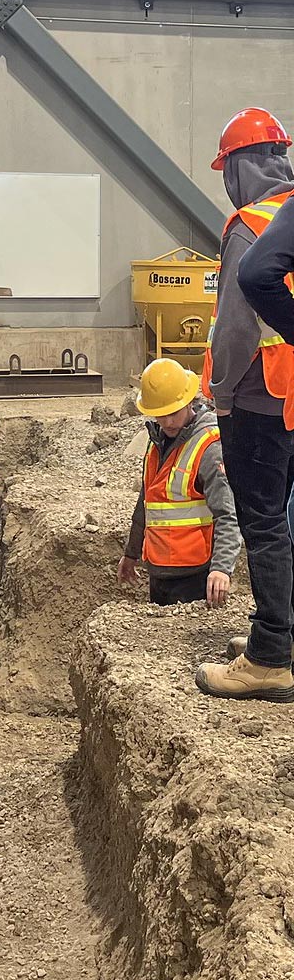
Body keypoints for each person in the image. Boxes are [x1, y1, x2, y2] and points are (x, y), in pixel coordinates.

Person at [196, 108, 294, 703]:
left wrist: (224, 395)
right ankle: (283, 634)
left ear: (237, 167)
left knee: (263, 524)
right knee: (285, 522)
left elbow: (233, 331)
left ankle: (268, 658)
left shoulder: (248, 224)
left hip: (257, 400)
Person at [118, 359, 240, 608]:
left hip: (194, 574)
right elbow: (147, 503)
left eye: (172, 413)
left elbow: (228, 513)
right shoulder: (156, 442)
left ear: (187, 402)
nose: (167, 422)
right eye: (160, 415)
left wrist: (222, 569)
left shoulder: (208, 446)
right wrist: (131, 553)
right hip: (158, 570)